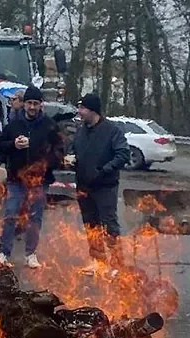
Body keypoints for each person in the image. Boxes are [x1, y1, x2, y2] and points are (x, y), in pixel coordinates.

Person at [0, 86, 64, 269]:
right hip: (16, 179)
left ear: (41, 105)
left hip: (40, 180)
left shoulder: (50, 126)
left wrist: (36, 151)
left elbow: (59, 153)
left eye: (35, 103)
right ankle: (3, 252)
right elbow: (0, 147)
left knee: (35, 218)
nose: (32, 107)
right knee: (10, 214)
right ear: (24, 104)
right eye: (29, 103)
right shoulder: (13, 125)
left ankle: (30, 254)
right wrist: (13, 145)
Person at [66, 93, 130, 275]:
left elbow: (123, 154)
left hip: (105, 187)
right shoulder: (81, 130)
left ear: (92, 110)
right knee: (90, 225)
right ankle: (98, 262)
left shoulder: (112, 131)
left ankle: (117, 265)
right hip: (83, 186)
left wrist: (104, 170)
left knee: (109, 225)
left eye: (82, 108)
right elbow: (75, 149)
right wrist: (71, 158)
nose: (79, 112)